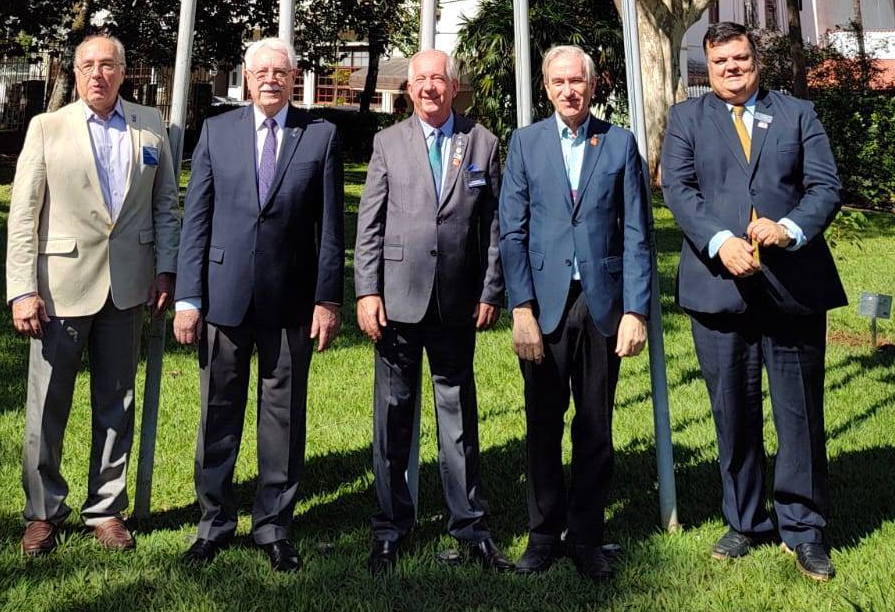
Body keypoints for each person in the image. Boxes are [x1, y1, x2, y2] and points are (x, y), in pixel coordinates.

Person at [660, 21, 846, 581]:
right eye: (720, 63)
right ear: (707, 67)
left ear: (756, 60)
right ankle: (744, 521)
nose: (731, 70)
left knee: (800, 414)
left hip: (792, 288)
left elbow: (826, 187)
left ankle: (803, 527)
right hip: (719, 288)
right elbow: (679, 189)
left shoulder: (799, 115)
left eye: (740, 59)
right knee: (732, 414)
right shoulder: (686, 119)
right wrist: (721, 243)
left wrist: (788, 229)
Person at [173, 36, 343, 573]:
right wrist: (187, 297)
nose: (270, 78)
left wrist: (326, 298)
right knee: (217, 411)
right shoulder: (217, 131)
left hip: (291, 300)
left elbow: (332, 228)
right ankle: (214, 521)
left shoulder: (320, 136)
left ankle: (273, 524)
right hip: (222, 298)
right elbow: (196, 217)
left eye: (281, 71)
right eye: (260, 70)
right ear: (246, 78)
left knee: (283, 416)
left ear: (294, 78)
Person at [6, 34, 179, 556]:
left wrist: (166, 269)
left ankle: (106, 509)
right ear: (76, 73)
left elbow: (166, 203)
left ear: (124, 72)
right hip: (58, 291)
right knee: (47, 406)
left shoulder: (151, 125)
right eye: (88, 66)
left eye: (108, 65)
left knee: (117, 403)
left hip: (128, 288)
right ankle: (42, 512)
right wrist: (21, 291)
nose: (98, 75)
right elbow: (23, 215)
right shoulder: (47, 128)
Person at [498, 45, 652, 581]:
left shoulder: (619, 143)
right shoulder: (525, 143)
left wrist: (636, 310)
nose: (569, 90)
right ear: (546, 88)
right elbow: (511, 232)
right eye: (559, 82)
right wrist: (520, 307)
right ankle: (543, 535)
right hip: (543, 303)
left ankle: (586, 535)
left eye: (577, 82)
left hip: (602, 302)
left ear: (592, 87)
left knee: (594, 424)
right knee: (542, 422)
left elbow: (637, 234)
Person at [354, 49, 510, 575]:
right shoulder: (387, 143)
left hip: (457, 303)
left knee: (458, 416)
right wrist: (366, 292)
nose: (428, 88)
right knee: (393, 417)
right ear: (409, 88)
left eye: (437, 80)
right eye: (419, 80)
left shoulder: (482, 142)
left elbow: (494, 228)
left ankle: (470, 525)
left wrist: (491, 291)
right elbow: (369, 225)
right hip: (396, 300)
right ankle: (391, 527)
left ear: (453, 85)